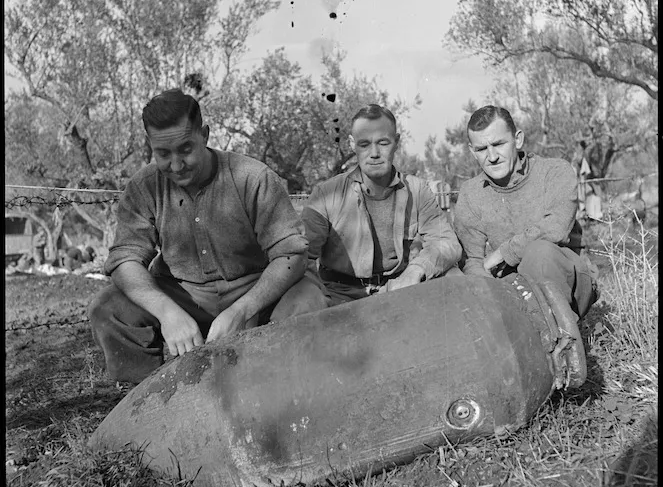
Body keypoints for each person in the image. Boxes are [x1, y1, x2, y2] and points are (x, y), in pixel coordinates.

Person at [88, 89, 327, 383]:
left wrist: (245, 309)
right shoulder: (144, 187)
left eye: (186, 149)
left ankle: (288, 394)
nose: (175, 165)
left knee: (306, 303)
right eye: (163, 154)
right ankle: (148, 405)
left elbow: (291, 255)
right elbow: (124, 260)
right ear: (150, 145)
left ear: (205, 135)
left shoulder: (253, 177)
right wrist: (167, 312)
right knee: (108, 307)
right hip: (184, 295)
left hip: (258, 287)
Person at [300, 103, 462, 306]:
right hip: (339, 295)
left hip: (400, 288)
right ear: (352, 144)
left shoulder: (417, 190)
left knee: (456, 279)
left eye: (383, 143)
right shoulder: (326, 195)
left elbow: (445, 242)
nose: (374, 153)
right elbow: (300, 257)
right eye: (364, 144)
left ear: (397, 141)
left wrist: (416, 270)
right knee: (299, 300)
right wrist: (315, 291)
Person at [453, 105, 598, 318]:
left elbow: (556, 228)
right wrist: (488, 288)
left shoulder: (555, 171)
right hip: (512, 291)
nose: (492, 156)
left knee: (539, 254)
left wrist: (503, 253)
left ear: (517, 139)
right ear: (472, 151)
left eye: (499, 144)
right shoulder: (470, 194)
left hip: (568, 283)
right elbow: (473, 260)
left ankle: (561, 341)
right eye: (482, 149)